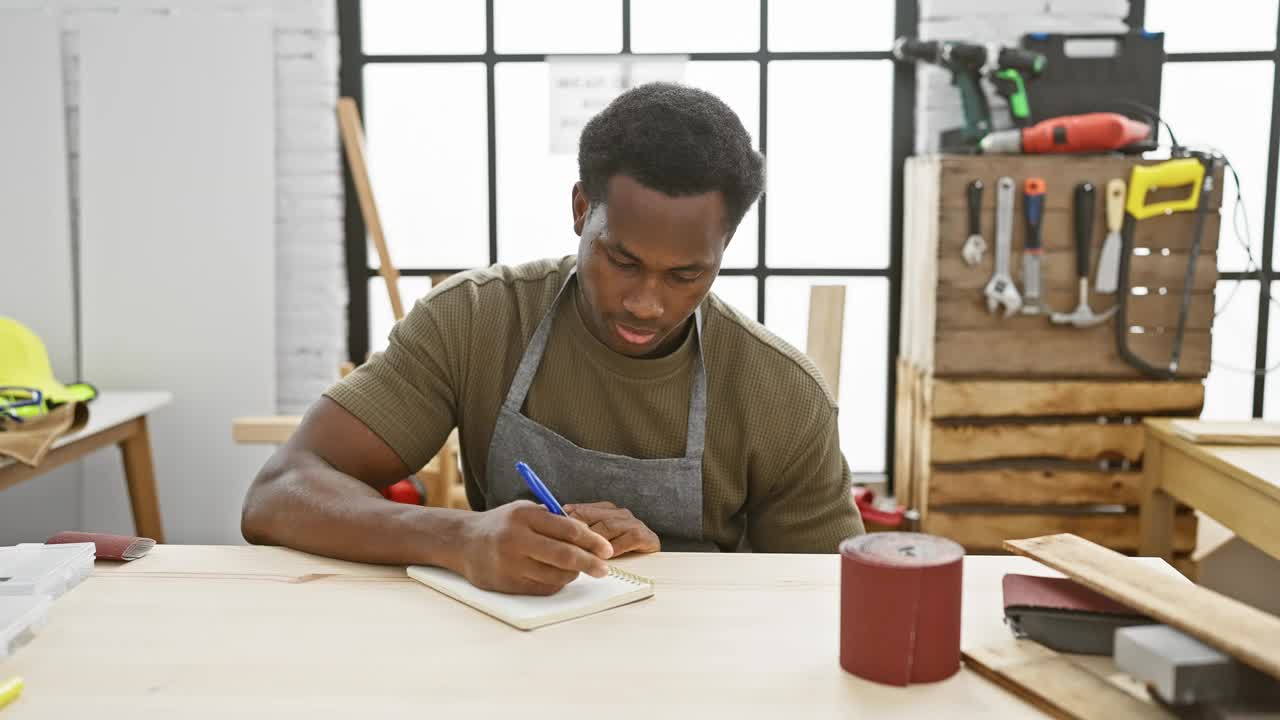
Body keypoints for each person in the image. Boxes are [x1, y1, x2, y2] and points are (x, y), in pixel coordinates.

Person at [242, 82, 865, 595]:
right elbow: (280, 491)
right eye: (620, 260)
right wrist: (459, 536)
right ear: (580, 210)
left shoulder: (782, 394)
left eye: (685, 274)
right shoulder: (476, 323)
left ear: (724, 249)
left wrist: (677, 564)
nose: (645, 303)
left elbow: (827, 593)